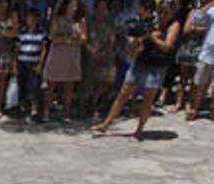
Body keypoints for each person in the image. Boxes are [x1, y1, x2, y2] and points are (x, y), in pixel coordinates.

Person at [94, 0, 181, 138]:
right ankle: (106, 124)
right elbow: (138, 41)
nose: (162, 15)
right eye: (160, 12)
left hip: (156, 66)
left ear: (171, 13)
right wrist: (138, 41)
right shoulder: (150, 22)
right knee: (123, 94)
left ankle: (139, 129)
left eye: (166, 13)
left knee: (147, 100)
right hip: (140, 62)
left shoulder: (174, 25)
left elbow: (167, 46)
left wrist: (151, 37)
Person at [41, 0, 86, 122]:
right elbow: (53, 37)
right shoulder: (57, 19)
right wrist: (70, 40)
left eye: (76, 6)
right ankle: (46, 112)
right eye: (72, 5)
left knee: (69, 85)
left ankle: (67, 113)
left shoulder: (80, 21)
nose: (74, 8)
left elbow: (83, 39)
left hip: (72, 55)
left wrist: (66, 39)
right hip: (58, 54)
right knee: (51, 83)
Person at [82, 0, 117, 118]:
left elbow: (113, 39)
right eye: (99, 7)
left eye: (104, 7)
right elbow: (84, 39)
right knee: (89, 81)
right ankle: (86, 105)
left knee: (104, 81)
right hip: (91, 55)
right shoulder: (89, 21)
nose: (102, 10)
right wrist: (92, 51)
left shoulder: (110, 22)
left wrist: (105, 51)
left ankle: (97, 104)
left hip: (107, 55)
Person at [186, 0, 214, 121]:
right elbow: (196, 19)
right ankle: (194, 108)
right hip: (208, 52)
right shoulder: (212, 10)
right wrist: (210, 4)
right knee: (199, 84)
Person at [16, 9, 47, 119]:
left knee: (35, 87)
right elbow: (16, 49)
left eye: (34, 18)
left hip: (34, 62)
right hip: (22, 62)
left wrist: (40, 65)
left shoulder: (41, 32)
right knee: (22, 86)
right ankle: (23, 108)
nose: (31, 20)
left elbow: (44, 50)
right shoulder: (22, 32)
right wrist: (14, 65)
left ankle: (34, 110)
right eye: (29, 18)